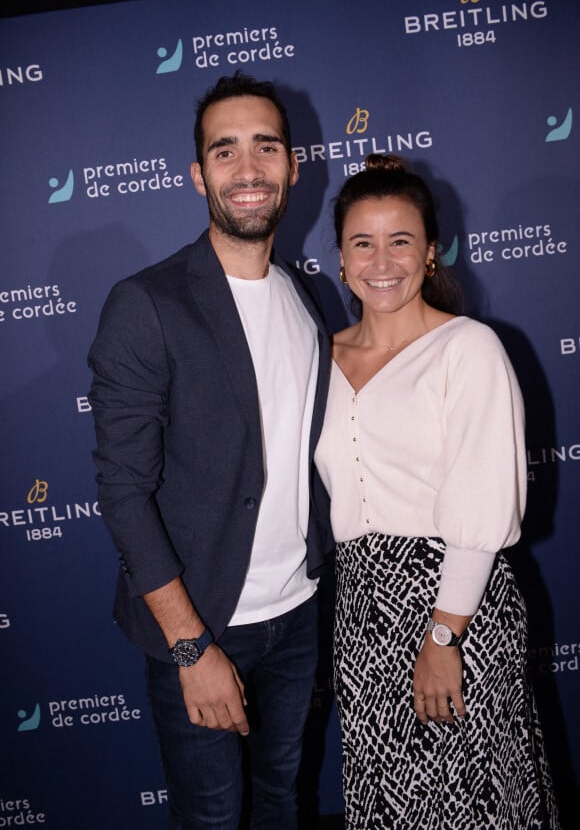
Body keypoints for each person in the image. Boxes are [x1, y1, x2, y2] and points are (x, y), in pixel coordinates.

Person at [87, 71, 331, 829]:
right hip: (202, 622)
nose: (248, 169)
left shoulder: (306, 296)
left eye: (266, 147)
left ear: (293, 165)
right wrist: (192, 646)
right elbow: (123, 490)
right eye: (225, 152)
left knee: (281, 799)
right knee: (213, 818)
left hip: (298, 611)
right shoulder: (149, 302)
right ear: (199, 176)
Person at [314, 154, 560, 828]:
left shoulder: (468, 348)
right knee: (389, 795)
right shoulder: (321, 360)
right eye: (363, 242)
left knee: (473, 796)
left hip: (456, 603)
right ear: (340, 258)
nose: (381, 259)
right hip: (362, 612)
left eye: (401, 241)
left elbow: (482, 502)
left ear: (430, 253)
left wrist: (444, 637)